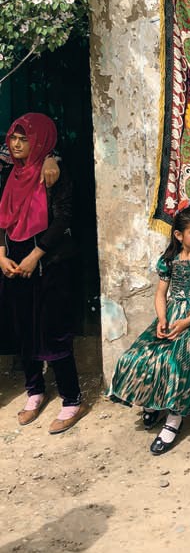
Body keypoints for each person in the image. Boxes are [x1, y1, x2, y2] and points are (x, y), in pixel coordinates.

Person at [107, 202, 190, 454]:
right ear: (179, 235)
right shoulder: (169, 259)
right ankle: (151, 402)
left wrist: (185, 322)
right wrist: (162, 319)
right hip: (172, 316)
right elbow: (160, 294)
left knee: (176, 361)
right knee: (137, 357)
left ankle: (174, 420)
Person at [0, 113, 87, 433]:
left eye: (25, 139)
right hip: (14, 263)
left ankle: (72, 399)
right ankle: (34, 391)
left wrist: (36, 255)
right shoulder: (8, 173)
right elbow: (2, 219)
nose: (17, 144)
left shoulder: (53, 174)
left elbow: (63, 218)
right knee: (23, 328)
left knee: (54, 330)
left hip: (49, 262)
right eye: (13, 138)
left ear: (39, 142)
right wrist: (1, 255)